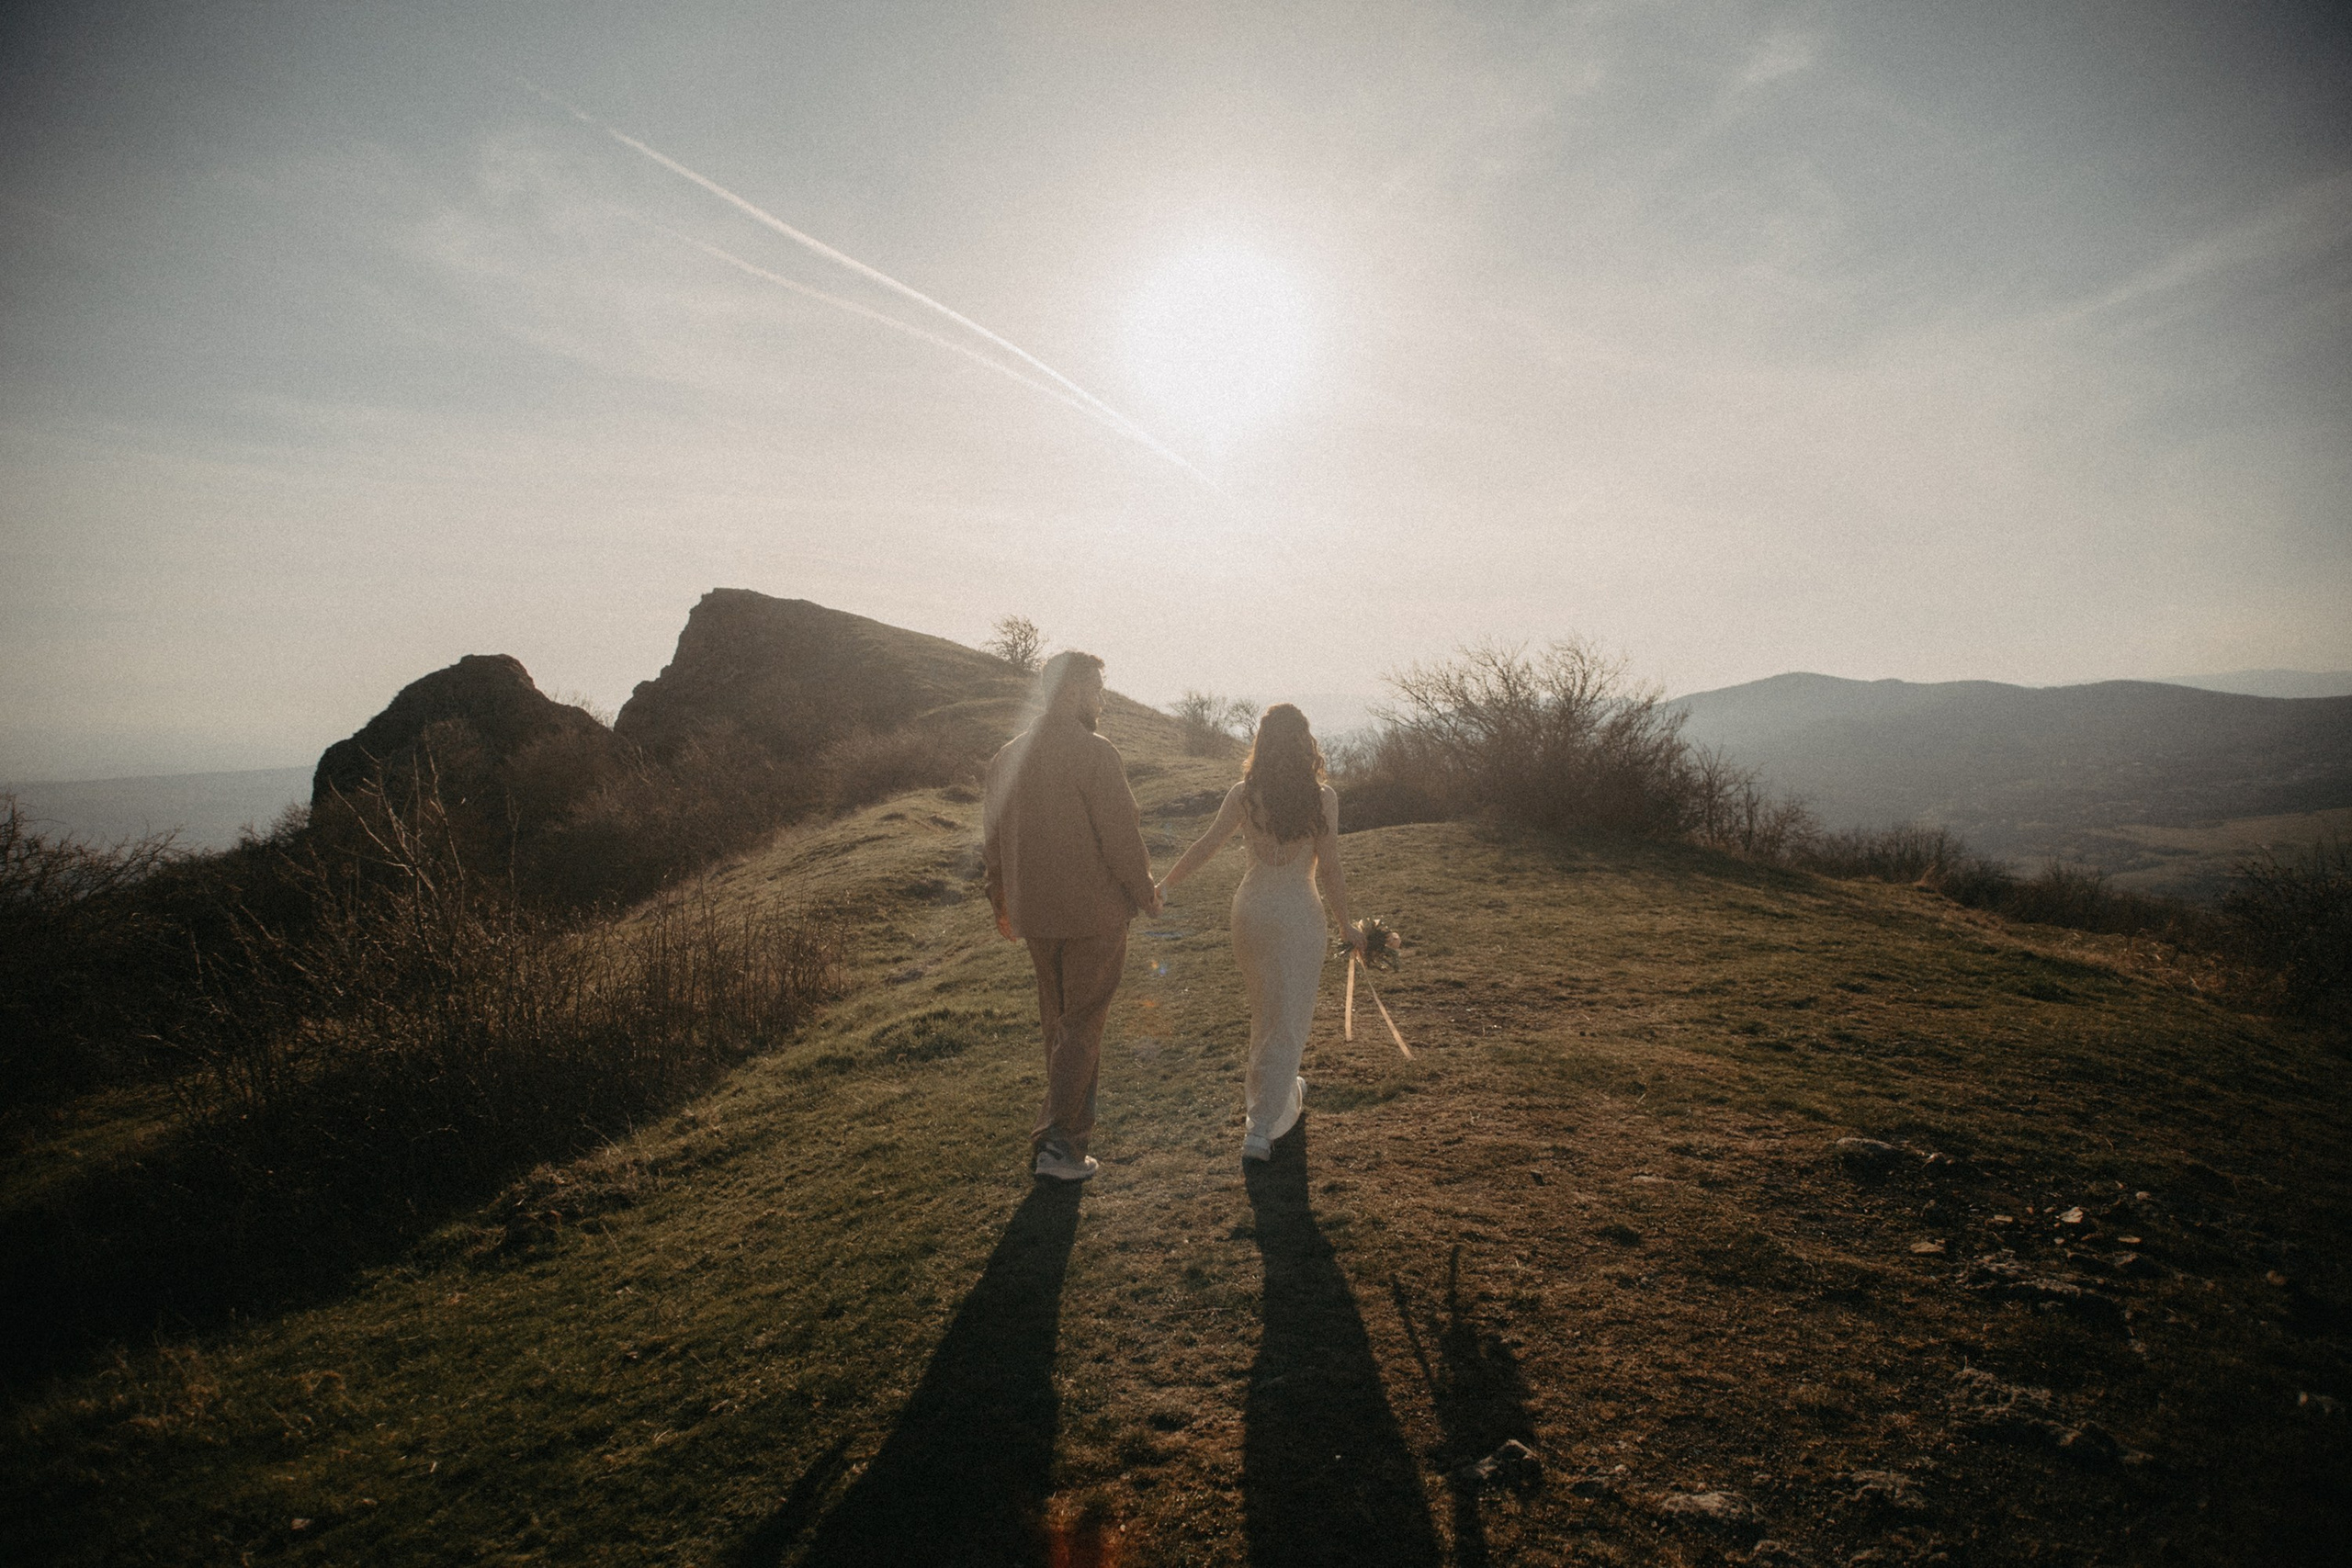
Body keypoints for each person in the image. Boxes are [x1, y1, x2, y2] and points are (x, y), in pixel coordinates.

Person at [982, 650, 1161, 1182]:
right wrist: (1146, 894)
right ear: (1075, 689)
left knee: (1059, 1028)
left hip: (1035, 916)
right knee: (1082, 1028)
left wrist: (1001, 900)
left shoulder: (1005, 758)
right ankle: (1058, 1144)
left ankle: (1065, 1142)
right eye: (1098, 689)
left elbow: (991, 842)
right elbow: (1122, 841)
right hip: (1093, 915)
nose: (1103, 700)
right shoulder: (1094, 753)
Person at [1157, 704, 1364, 1161]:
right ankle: (1262, 1126)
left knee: (1267, 1010)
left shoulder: (1244, 794)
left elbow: (1206, 845)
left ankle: (1280, 1089)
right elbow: (1329, 868)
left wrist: (1165, 886)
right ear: (1305, 744)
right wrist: (1347, 923)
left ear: (1263, 744)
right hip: (1297, 913)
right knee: (1288, 1015)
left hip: (1251, 911)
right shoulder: (1322, 797)